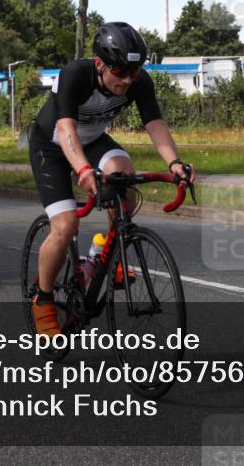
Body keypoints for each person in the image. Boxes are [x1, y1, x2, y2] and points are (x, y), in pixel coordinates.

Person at [29, 22, 195, 336]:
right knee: (65, 226)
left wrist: (174, 163)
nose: (128, 79)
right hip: (51, 145)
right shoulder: (75, 75)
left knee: (125, 177)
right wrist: (83, 169)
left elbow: (154, 123)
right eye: (120, 72)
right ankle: (44, 298)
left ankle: (105, 252)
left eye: (134, 71)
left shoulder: (138, 81)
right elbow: (65, 129)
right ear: (99, 64)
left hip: (92, 140)